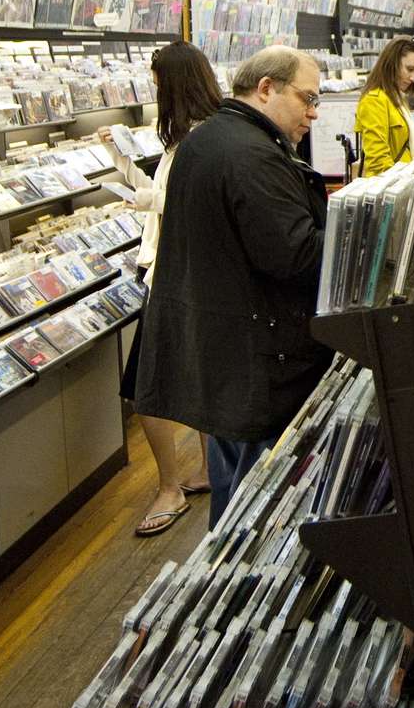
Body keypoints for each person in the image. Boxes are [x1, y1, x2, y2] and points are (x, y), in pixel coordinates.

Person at [134, 46, 332, 527]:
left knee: (233, 486)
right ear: (266, 88)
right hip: (258, 358)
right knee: (256, 504)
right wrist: (356, 231)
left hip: (226, 354)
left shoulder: (208, 139)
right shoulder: (251, 154)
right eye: (307, 98)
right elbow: (294, 255)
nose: (313, 112)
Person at [99, 43, 223, 536]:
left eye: (157, 83)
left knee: (146, 389)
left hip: (172, 277)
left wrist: (145, 198)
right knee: (196, 377)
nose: (155, 92)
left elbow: (178, 201)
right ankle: (209, 470)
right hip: (182, 276)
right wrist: (118, 159)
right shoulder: (197, 135)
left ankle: (169, 488)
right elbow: (161, 193)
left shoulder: (198, 140)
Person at [356, 36, 414, 176]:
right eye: (410, 69)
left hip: (405, 179)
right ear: (391, 63)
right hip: (392, 184)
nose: (413, 78)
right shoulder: (374, 101)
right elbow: (378, 162)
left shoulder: (397, 98)